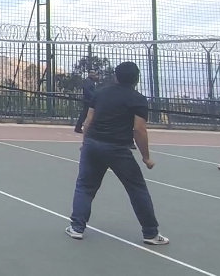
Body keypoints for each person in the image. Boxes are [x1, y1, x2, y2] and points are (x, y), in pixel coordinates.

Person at [66, 61, 169, 245]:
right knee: (137, 189)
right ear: (137, 79)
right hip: (118, 149)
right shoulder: (137, 99)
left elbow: (88, 121)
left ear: (116, 76)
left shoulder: (101, 93)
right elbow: (139, 129)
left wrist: (85, 143)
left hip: (93, 144)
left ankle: (77, 228)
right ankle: (151, 233)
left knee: (85, 187)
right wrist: (146, 157)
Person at [74, 69, 100, 133]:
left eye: (94, 73)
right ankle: (78, 127)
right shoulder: (88, 81)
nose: (93, 74)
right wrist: (94, 96)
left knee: (86, 114)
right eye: (92, 73)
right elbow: (87, 91)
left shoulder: (90, 81)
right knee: (85, 114)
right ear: (89, 74)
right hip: (88, 100)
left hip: (89, 100)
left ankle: (79, 127)